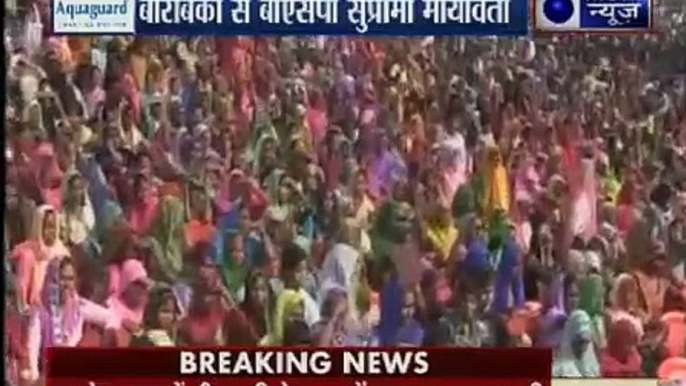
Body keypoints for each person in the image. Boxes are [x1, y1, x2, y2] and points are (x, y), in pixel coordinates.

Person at [552, 310, 601, 378]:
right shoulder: (559, 372)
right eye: (580, 341)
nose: (583, 347)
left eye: (586, 341)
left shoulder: (592, 369)